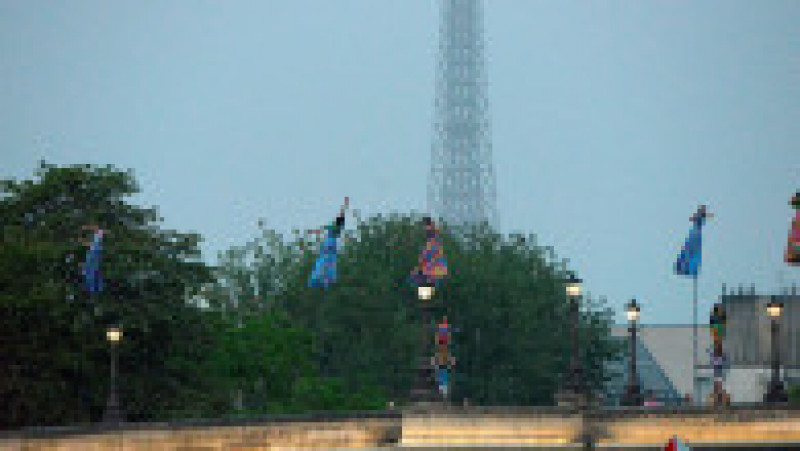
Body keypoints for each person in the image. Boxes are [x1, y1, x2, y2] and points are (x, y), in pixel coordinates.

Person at [308, 197, 348, 288]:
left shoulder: (336, 227)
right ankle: (322, 279)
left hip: (330, 245)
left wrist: (345, 203)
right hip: (329, 245)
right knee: (324, 261)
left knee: (326, 261)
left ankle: (323, 279)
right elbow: (321, 229)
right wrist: (312, 231)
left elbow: (342, 213)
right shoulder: (333, 226)